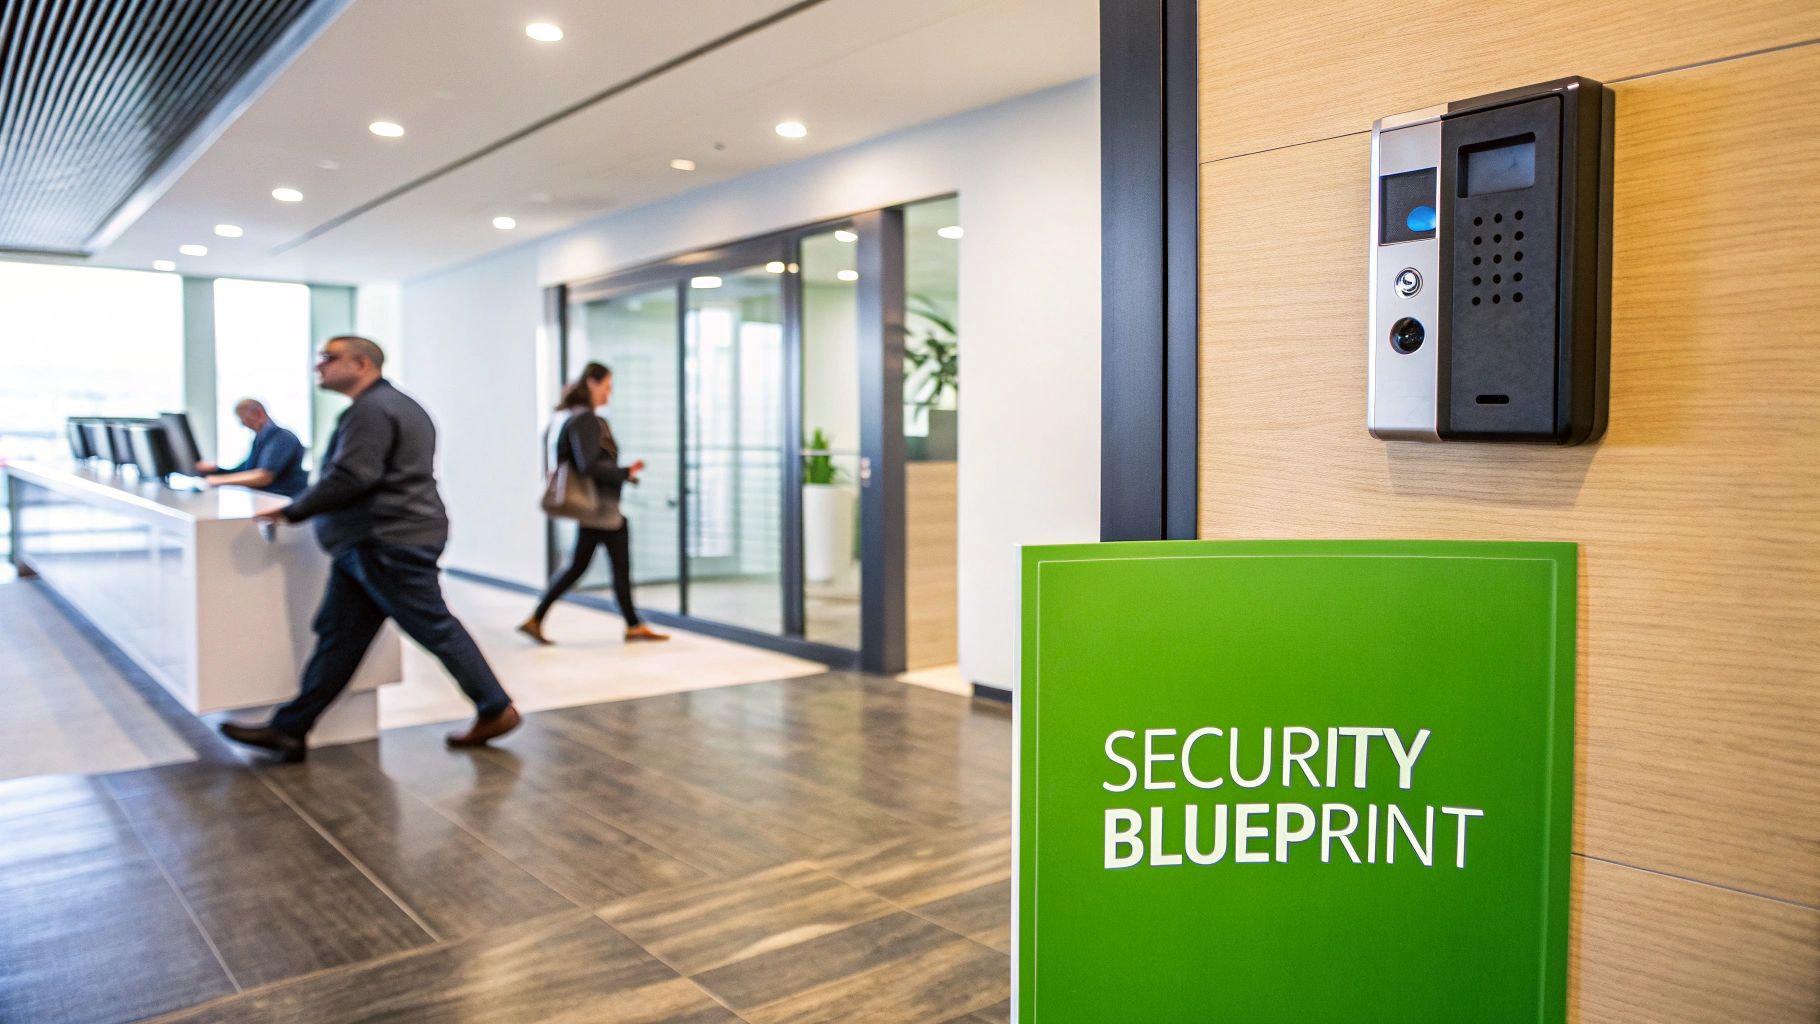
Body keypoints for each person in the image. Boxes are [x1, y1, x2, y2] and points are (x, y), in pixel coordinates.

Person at [220, 336, 518, 762]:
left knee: (433, 625)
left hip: (387, 541)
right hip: (375, 541)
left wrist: (295, 510)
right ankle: (290, 729)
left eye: (329, 358)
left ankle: (494, 707)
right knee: (339, 637)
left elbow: (352, 476)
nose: (318, 366)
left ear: (361, 364)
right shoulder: (394, 405)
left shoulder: (371, 410)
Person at [518, 362, 668, 645]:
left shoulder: (568, 417)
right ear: (591, 383)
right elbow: (587, 465)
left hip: (598, 509)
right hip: (601, 508)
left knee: (580, 566)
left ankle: (537, 618)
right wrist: (624, 473)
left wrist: (623, 473)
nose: (609, 395)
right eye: (607, 387)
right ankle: (632, 625)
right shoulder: (585, 419)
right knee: (612, 565)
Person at [196, 399, 309, 498]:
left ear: (258, 413)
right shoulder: (260, 439)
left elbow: (263, 476)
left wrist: (218, 481)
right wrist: (216, 470)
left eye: (244, 418)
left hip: (281, 501)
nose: (242, 424)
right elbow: (246, 470)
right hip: (264, 499)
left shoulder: (282, 438)